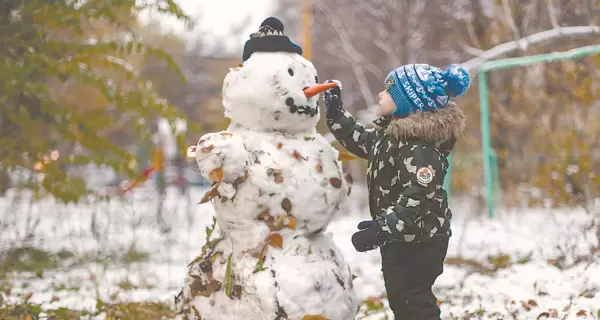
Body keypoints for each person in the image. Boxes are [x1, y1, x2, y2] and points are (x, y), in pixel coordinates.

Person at [323, 63, 470, 319]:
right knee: (402, 300)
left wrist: (381, 230)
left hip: (422, 242)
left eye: (388, 91)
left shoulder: (420, 149)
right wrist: (336, 115)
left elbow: (418, 200)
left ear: (408, 102)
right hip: (402, 237)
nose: (381, 95)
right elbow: (361, 140)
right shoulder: (390, 137)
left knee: (412, 301)